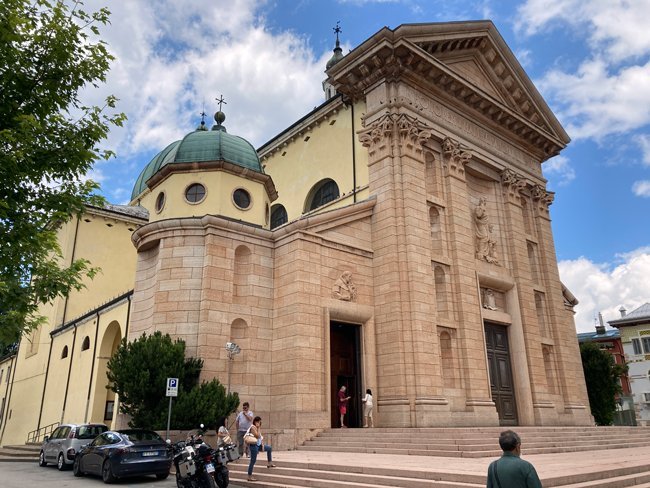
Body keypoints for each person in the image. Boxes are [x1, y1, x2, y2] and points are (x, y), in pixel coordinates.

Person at [246, 416, 275, 482]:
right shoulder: (253, 427)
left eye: (260, 422)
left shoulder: (257, 428)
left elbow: (260, 438)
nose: (260, 423)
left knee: (269, 448)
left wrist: (262, 445)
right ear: (256, 421)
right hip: (253, 446)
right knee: (253, 461)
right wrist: (258, 427)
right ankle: (249, 476)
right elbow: (257, 435)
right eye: (259, 421)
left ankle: (269, 463)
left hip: (258, 445)